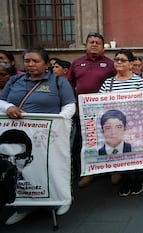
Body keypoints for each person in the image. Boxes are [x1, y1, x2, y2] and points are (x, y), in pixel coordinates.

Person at [0, 47, 76, 224]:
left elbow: (69, 105)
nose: (31, 64)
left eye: (35, 61)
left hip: (49, 135)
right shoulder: (15, 80)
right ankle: (24, 206)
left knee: (52, 168)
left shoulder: (58, 82)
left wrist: (60, 122)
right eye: (27, 61)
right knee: (24, 171)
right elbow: (2, 100)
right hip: (18, 135)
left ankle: (59, 200)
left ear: (47, 64)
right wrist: (8, 108)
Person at [67, 32, 117, 188]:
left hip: (106, 111)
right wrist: (73, 105)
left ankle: (114, 170)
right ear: (86, 45)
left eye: (98, 42)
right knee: (88, 142)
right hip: (83, 111)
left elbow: (118, 82)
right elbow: (69, 85)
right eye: (91, 42)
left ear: (103, 47)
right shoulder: (76, 63)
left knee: (110, 139)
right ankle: (90, 172)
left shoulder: (110, 64)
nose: (94, 44)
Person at [99, 49, 143, 197]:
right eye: (116, 60)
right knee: (122, 155)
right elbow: (99, 103)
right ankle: (126, 180)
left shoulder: (139, 81)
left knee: (137, 152)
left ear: (131, 64)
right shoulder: (108, 83)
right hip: (117, 127)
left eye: (123, 60)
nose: (119, 62)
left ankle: (139, 179)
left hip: (135, 126)